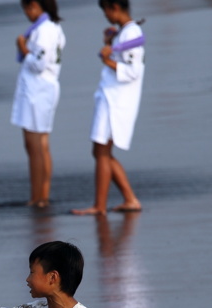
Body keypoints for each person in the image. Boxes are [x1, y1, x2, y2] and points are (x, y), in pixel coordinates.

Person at [71, 0, 144, 216]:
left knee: (102, 151)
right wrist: (110, 44)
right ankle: (129, 198)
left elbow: (133, 71)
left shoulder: (132, 33)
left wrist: (107, 60)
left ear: (114, 7)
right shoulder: (125, 33)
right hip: (110, 96)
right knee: (100, 151)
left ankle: (99, 206)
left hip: (117, 100)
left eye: (105, 11)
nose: (105, 16)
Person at [11, 0, 66, 209]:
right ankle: (41, 195)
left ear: (34, 5)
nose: (26, 13)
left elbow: (38, 63)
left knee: (34, 145)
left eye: (27, 8)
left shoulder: (44, 30)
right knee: (41, 145)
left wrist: (23, 49)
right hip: (43, 88)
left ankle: (38, 197)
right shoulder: (54, 27)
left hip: (38, 90)